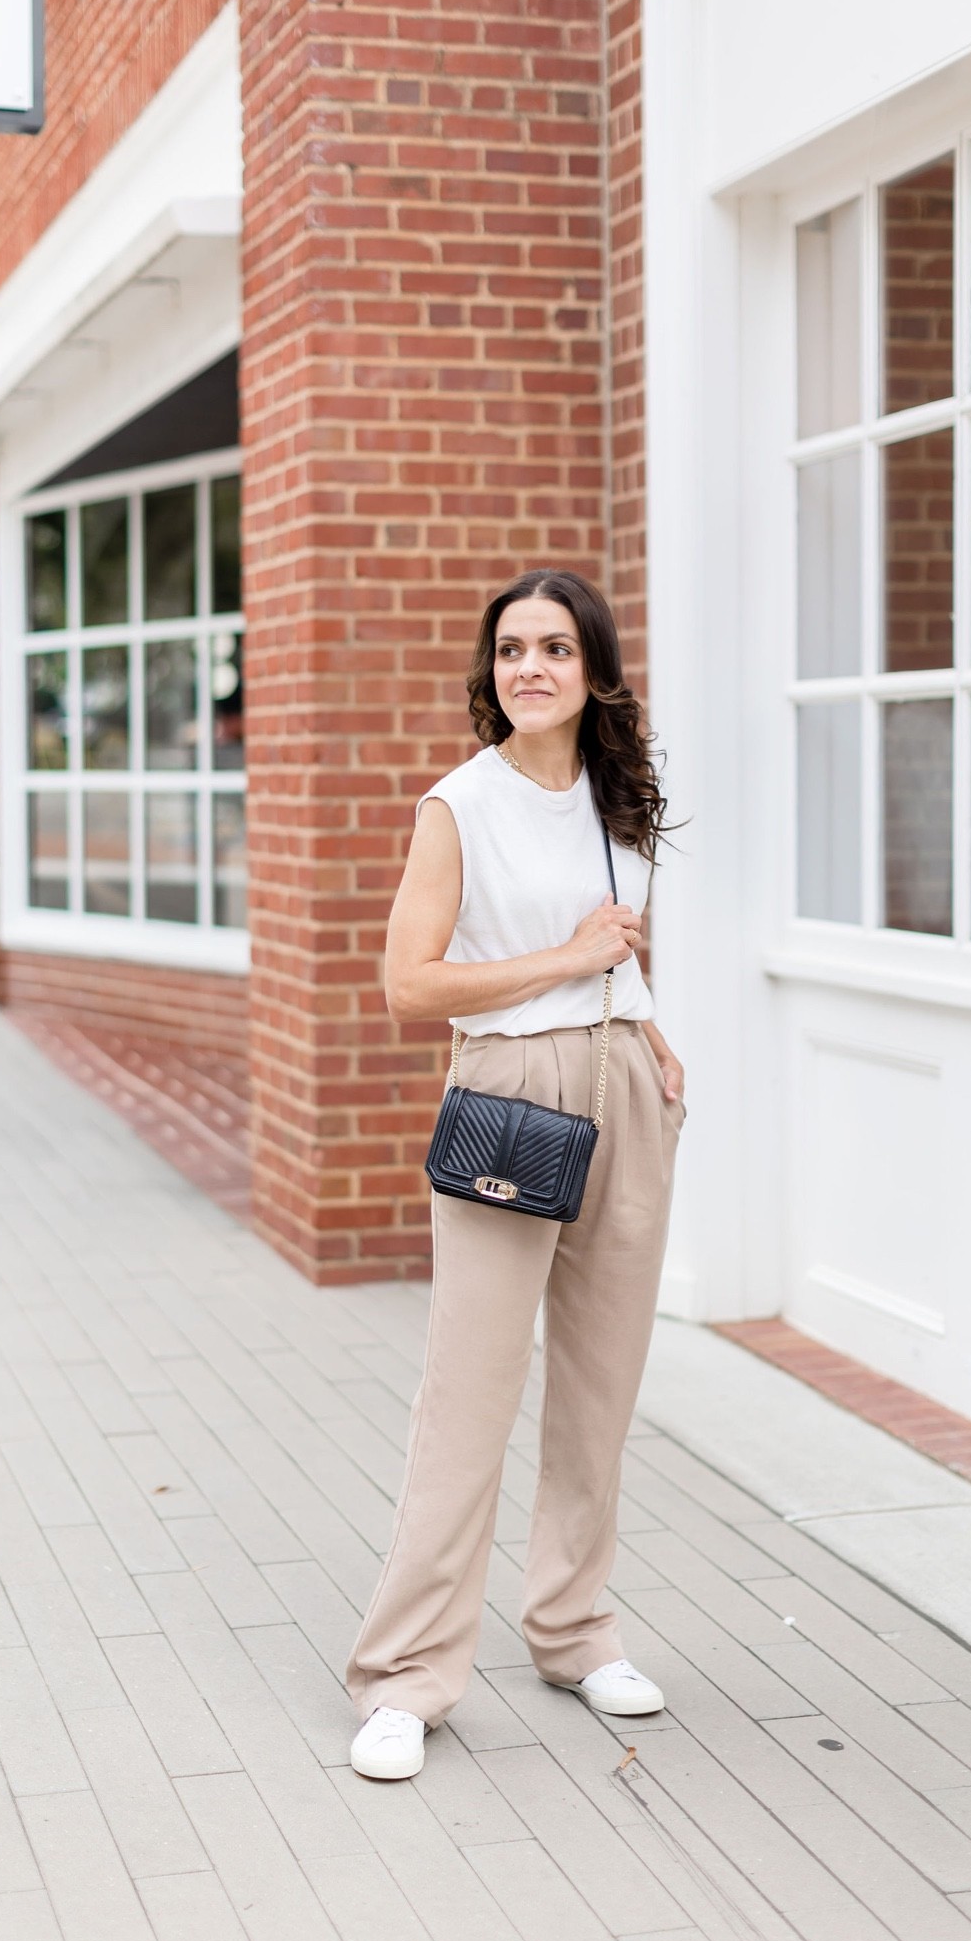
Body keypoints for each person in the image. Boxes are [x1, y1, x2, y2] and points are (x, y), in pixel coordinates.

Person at [345, 567, 686, 1780]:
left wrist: (643, 1020)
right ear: (489, 674)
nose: (528, 667)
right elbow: (409, 985)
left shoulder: (619, 796)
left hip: (624, 1091)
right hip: (505, 1097)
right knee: (470, 1393)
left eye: (552, 647)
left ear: (592, 668)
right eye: (508, 650)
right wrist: (567, 956)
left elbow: (623, 948)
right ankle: (407, 1675)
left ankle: (574, 1628)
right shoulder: (460, 804)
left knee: (600, 1386)